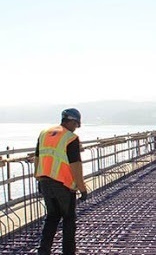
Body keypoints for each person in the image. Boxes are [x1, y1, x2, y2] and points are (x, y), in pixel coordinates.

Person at [34, 108, 88, 255]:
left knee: (52, 217)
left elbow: (37, 158)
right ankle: (68, 252)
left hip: (45, 182)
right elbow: (75, 166)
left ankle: (43, 251)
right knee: (69, 219)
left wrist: (38, 178)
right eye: (76, 124)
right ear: (71, 121)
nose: (76, 128)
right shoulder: (70, 138)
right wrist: (82, 189)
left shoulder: (44, 133)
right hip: (63, 185)